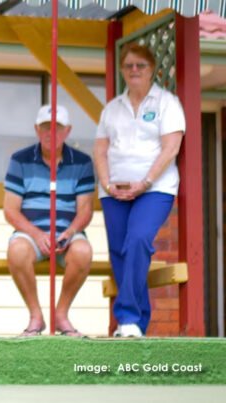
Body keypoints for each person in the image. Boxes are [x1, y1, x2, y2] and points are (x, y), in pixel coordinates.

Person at [94, 43, 185, 338]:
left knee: (138, 241)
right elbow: (100, 150)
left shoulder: (167, 103)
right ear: (122, 70)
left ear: (152, 71)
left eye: (140, 66)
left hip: (155, 189)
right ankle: (134, 324)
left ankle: (128, 317)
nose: (134, 70)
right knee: (120, 252)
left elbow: (172, 147)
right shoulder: (112, 108)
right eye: (129, 65)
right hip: (114, 191)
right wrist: (108, 184)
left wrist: (144, 182)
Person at [3, 105, 95, 338]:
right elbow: (10, 211)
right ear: (36, 129)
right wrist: (37, 234)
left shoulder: (82, 162)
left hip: (67, 234)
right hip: (31, 234)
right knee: (17, 250)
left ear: (68, 131)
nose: (50, 133)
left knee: (83, 251)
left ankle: (60, 315)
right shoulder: (20, 160)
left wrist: (70, 232)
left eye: (57, 128)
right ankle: (36, 317)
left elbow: (85, 210)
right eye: (45, 127)